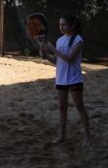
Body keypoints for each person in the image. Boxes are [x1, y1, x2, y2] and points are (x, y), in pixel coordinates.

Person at [41, 14, 91, 147]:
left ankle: (87, 136)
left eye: (64, 24)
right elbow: (57, 62)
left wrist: (52, 49)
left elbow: (69, 58)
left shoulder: (78, 40)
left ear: (73, 25)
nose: (61, 27)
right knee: (62, 108)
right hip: (61, 79)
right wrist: (46, 56)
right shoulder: (59, 40)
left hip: (74, 79)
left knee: (80, 107)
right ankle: (62, 136)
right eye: (59, 24)